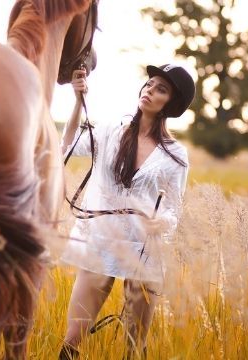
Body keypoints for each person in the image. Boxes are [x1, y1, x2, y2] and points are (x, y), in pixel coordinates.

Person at [58, 64, 195, 359]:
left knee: (134, 348)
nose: (149, 90)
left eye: (161, 89)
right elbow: (66, 147)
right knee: (71, 342)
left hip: (144, 252)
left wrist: (161, 222)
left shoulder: (175, 154)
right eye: (149, 84)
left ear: (171, 103)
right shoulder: (112, 131)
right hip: (100, 243)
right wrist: (76, 100)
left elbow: (174, 209)